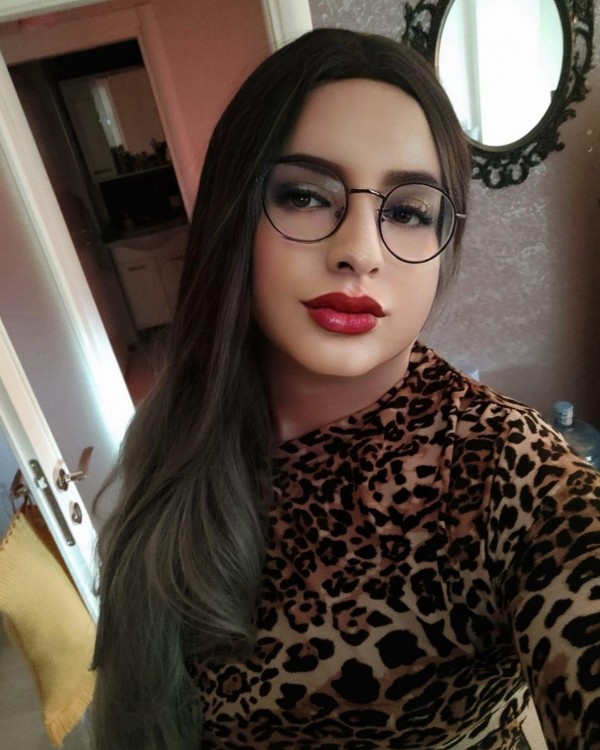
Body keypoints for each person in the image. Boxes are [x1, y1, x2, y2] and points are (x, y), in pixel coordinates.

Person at [90, 28, 600, 750]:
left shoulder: (500, 469)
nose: (358, 251)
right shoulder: (183, 419)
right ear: (238, 213)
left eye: (409, 211)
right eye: (305, 196)